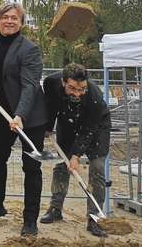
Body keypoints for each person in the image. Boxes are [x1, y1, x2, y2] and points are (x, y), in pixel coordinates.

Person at [0, 2, 48, 236]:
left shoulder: (30, 49)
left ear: (21, 22)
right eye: (5, 17)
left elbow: (30, 86)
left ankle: (30, 219)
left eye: (14, 18)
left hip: (30, 118)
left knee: (31, 167)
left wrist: (20, 115)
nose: (9, 21)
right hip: (0, 113)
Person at [39, 64, 111, 238]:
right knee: (62, 165)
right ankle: (55, 209)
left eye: (81, 89)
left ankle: (94, 218)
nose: (77, 93)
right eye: (72, 88)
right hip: (68, 121)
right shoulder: (50, 83)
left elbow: (88, 129)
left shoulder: (94, 96)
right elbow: (50, 105)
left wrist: (76, 156)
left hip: (97, 127)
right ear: (63, 82)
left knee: (97, 169)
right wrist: (48, 127)